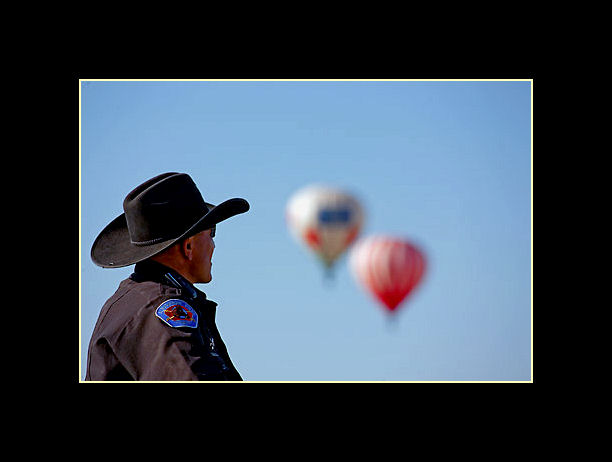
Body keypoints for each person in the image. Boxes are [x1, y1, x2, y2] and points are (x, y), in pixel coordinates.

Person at [85, 172, 249, 381]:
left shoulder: (141, 300)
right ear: (188, 246)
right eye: (211, 234)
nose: (214, 246)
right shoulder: (161, 310)